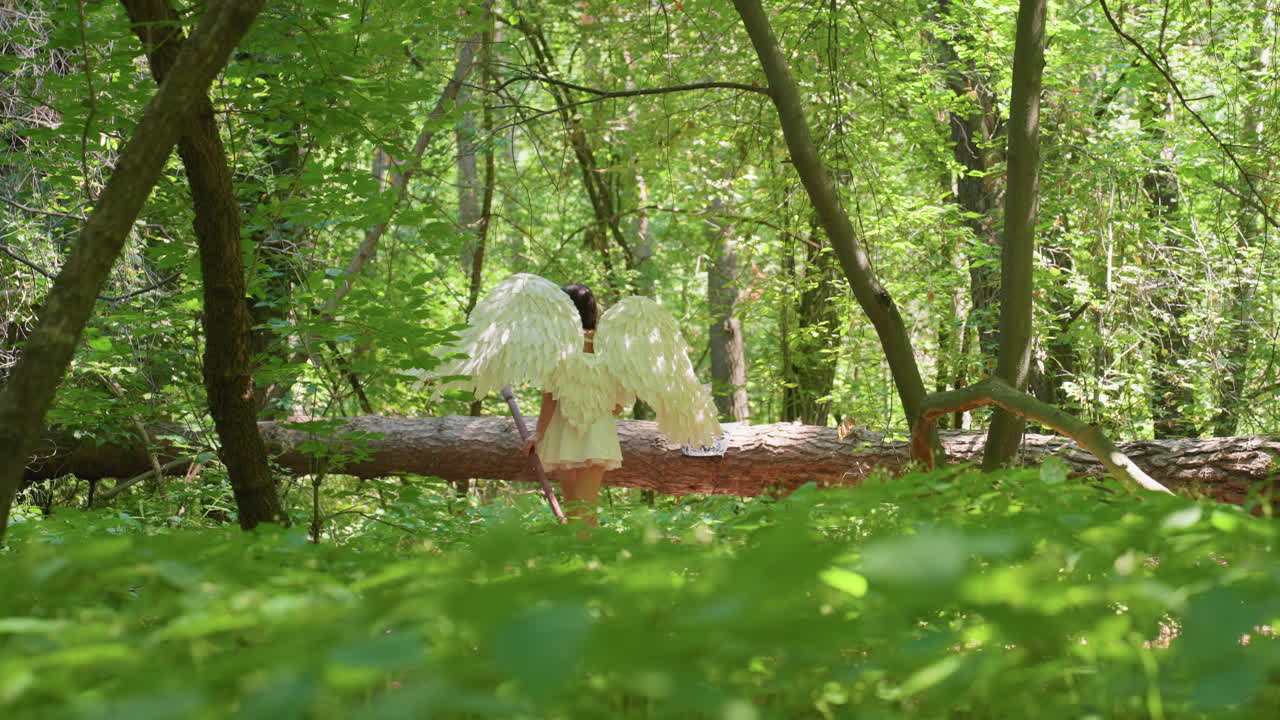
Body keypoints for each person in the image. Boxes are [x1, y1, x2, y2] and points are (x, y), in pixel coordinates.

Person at [521, 283, 621, 526]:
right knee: (586, 507)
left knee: (574, 506)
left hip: (564, 428)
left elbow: (550, 395)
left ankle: (582, 556)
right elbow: (617, 404)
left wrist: (538, 432)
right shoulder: (608, 345)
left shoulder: (558, 345)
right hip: (597, 428)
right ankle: (585, 557)